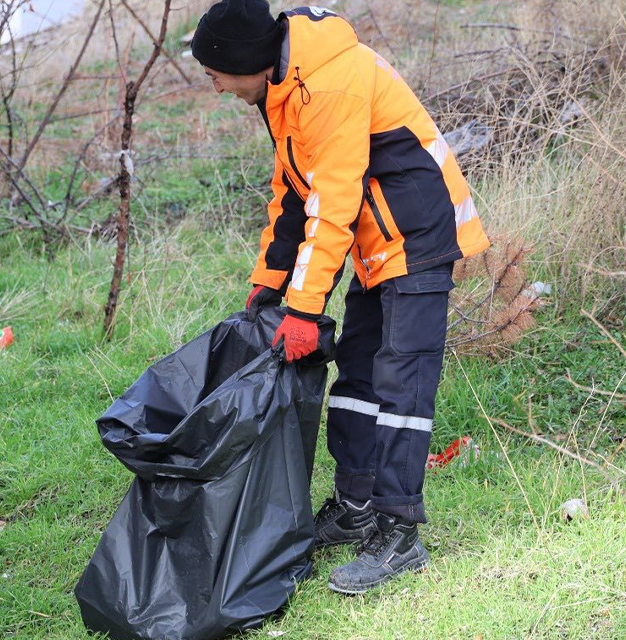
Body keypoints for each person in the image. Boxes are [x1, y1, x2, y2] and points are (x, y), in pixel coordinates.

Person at [191, 0, 490, 594]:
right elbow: (293, 190)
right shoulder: (282, 87)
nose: (214, 83)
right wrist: (270, 280)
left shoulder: (327, 85)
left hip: (419, 232)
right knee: (355, 374)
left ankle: (399, 531)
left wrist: (304, 310)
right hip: (376, 241)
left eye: (216, 71)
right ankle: (355, 509)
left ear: (248, 60)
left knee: (402, 382)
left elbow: (334, 202)